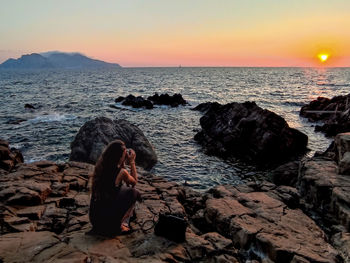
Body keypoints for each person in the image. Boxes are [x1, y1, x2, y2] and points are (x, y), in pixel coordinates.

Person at [88, 139, 141, 236]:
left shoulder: (100, 167)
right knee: (134, 192)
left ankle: (121, 220)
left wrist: (122, 162)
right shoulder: (121, 172)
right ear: (120, 157)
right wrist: (132, 162)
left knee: (123, 190)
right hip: (108, 225)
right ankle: (121, 225)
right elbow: (134, 182)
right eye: (124, 154)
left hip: (95, 221)